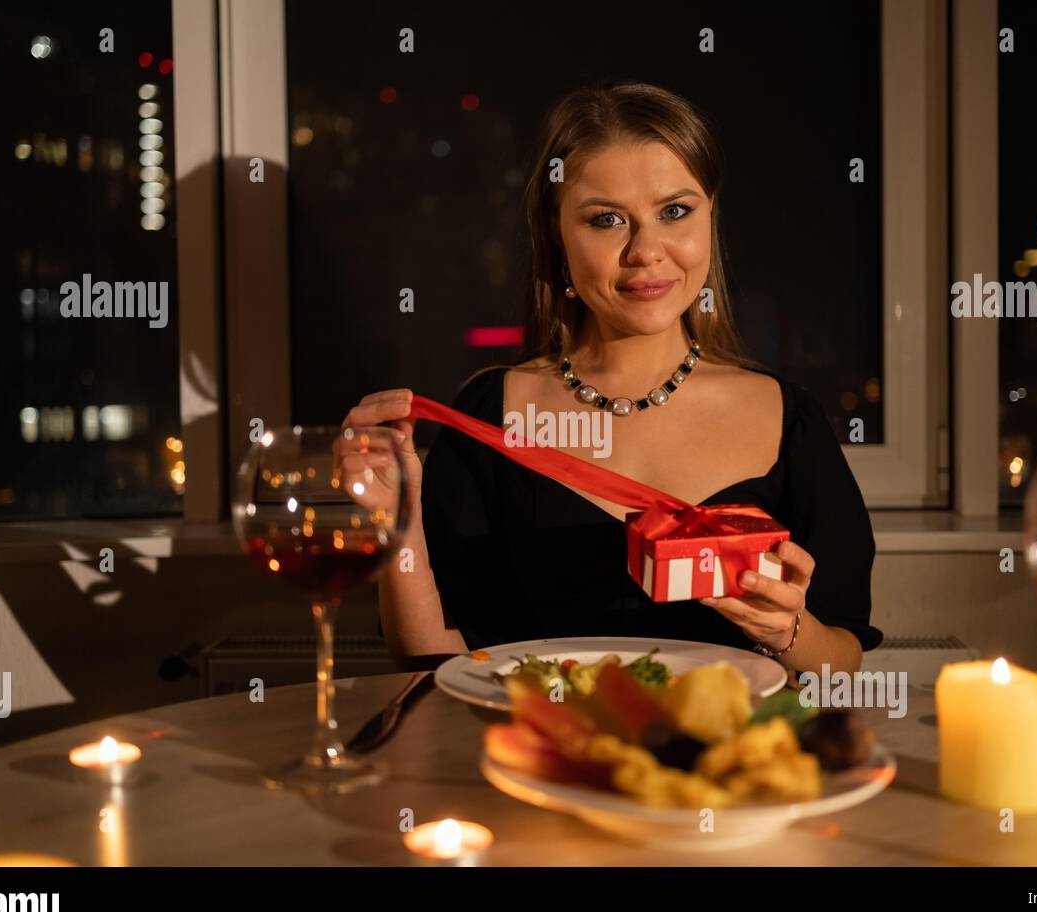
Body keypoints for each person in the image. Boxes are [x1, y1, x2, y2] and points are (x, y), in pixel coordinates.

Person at [343, 80, 881, 675]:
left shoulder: (790, 418)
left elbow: (842, 664)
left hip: (720, 762)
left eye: (675, 211)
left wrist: (786, 631)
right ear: (556, 234)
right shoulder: (489, 412)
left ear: (710, 218)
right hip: (532, 757)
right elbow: (427, 657)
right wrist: (400, 515)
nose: (646, 251)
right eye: (606, 221)